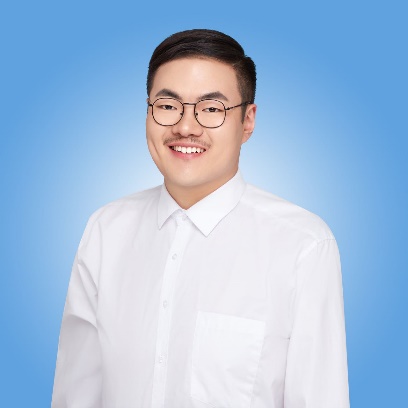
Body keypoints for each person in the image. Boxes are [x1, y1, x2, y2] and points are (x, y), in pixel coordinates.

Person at [52, 29, 349, 408]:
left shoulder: (302, 245)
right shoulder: (106, 230)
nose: (186, 127)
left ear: (247, 121)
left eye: (211, 109)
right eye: (167, 105)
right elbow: (75, 395)